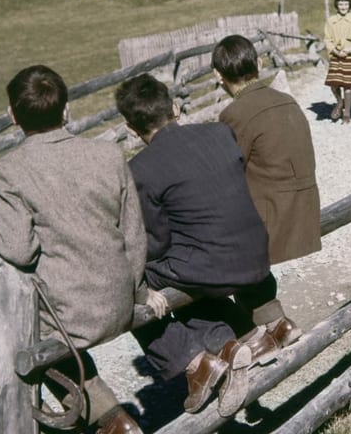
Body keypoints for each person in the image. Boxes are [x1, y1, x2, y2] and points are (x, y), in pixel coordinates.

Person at [115, 74, 297, 417]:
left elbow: (154, 240)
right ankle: (242, 336)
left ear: (129, 127)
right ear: (175, 107)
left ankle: (195, 361)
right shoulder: (219, 133)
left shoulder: (139, 169)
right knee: (190, 264)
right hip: (258, 253)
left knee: (137, 284)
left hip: (214, 267)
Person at [0, 65, 146, 434]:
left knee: (22, 338)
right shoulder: (107, 154)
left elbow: (18, 251)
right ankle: (105, 419)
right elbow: (135, 236)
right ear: (66, 109)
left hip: (70, 317)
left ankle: (108, 417)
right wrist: (133, 290)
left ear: (12, 116)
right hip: (121, 300)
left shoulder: (7, 171)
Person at [211, 34, 319, 326]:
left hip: (274, 214)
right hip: (304, 205)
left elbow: (227, 175)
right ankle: (268, 322)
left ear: (218, 76)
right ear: (258, 64)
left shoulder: (234, 114)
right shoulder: (286, 101)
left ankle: (259, 326)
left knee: (215, 244)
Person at [323, 0, 351, 124]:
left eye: (346, 4)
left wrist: (350, 49)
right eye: (340, 4)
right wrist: (335, 51)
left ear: (349, 5)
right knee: (333, 83)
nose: (343, 7)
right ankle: (340, 102)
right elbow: (327, 39)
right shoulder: (331, 20)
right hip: (336, 55)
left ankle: (347, 113)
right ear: (336, 5)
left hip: (350, 55)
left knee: (347, 85)